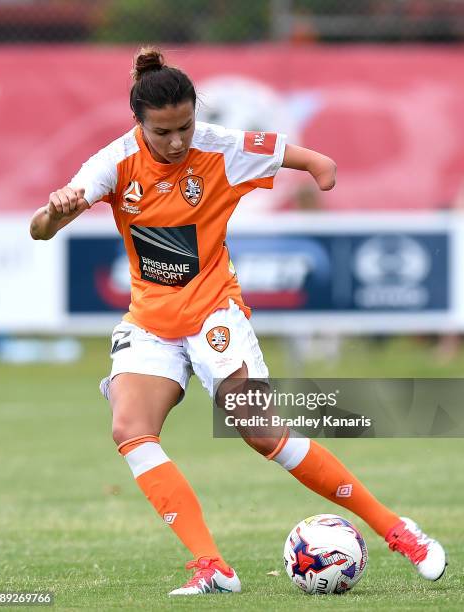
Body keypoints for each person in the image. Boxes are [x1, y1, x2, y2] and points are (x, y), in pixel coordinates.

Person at [30, 48, 446, 596]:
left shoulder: (221, 146)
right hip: (151, 324)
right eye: (163, 133)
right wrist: (57, 210)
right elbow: (41, 228)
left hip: (213, 316)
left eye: (185, 126)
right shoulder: (112, 162)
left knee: (263, 432)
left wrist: (321, 174)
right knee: (130, 429)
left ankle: (398, 531)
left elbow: (315, 160)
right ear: (138, 125)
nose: (178, 142)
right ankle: (213, 567)